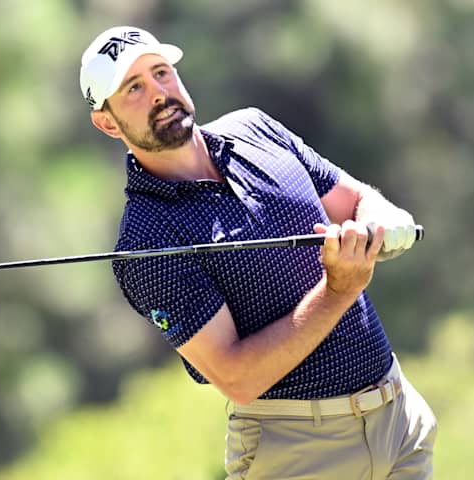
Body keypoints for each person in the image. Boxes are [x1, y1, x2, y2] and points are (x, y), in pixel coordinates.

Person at [80, 26, 437, 479]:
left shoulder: (254, 128)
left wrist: (383, 215)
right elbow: (237, 377)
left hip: (399, 421)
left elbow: (352, 198)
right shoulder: (146, 242)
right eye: (134, 88)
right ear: (107, 122)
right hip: (298, 452)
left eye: (161, 73)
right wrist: (337, 291)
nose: (159, 93)